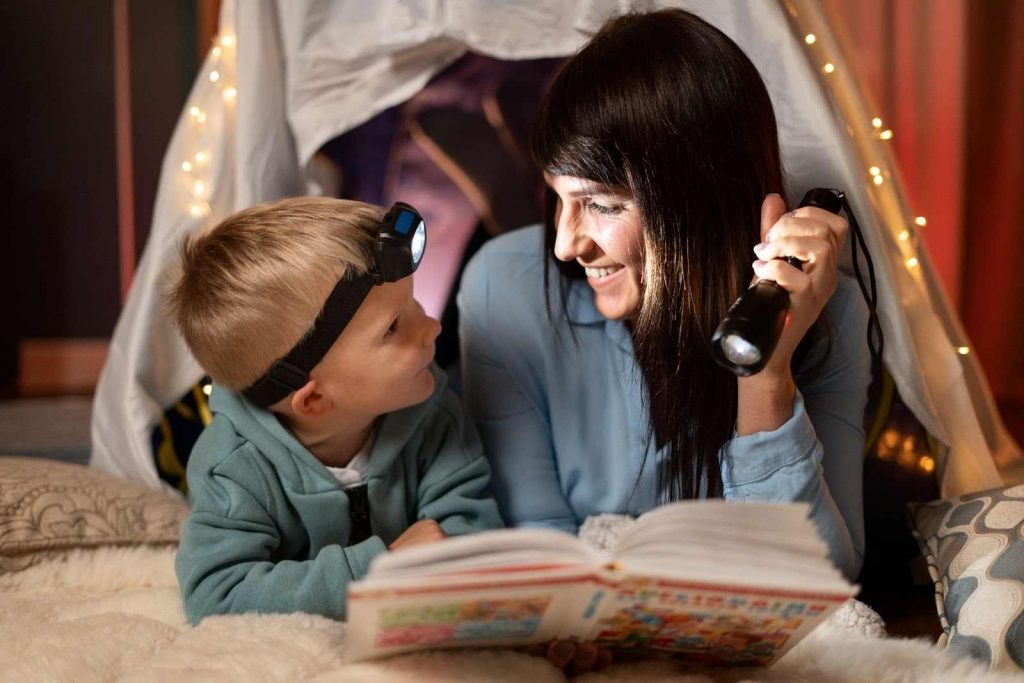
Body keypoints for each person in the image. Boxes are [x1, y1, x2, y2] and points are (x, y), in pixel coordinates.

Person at [458, 8, 872, 583]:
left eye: (601, 204)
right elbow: (537, 539)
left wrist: (765, 371)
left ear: (696, 203)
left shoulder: (831, 315)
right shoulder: (503, 289)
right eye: (559, 197)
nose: (564, 244)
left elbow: (823, 575)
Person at [166, 197, 503, 624]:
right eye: (394, 327)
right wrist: (381, 569)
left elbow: (470, 532)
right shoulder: (233, 468)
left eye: (413, 304)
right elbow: (216, 597)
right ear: (313, 401)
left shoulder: (434, 414)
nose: (432, 326)